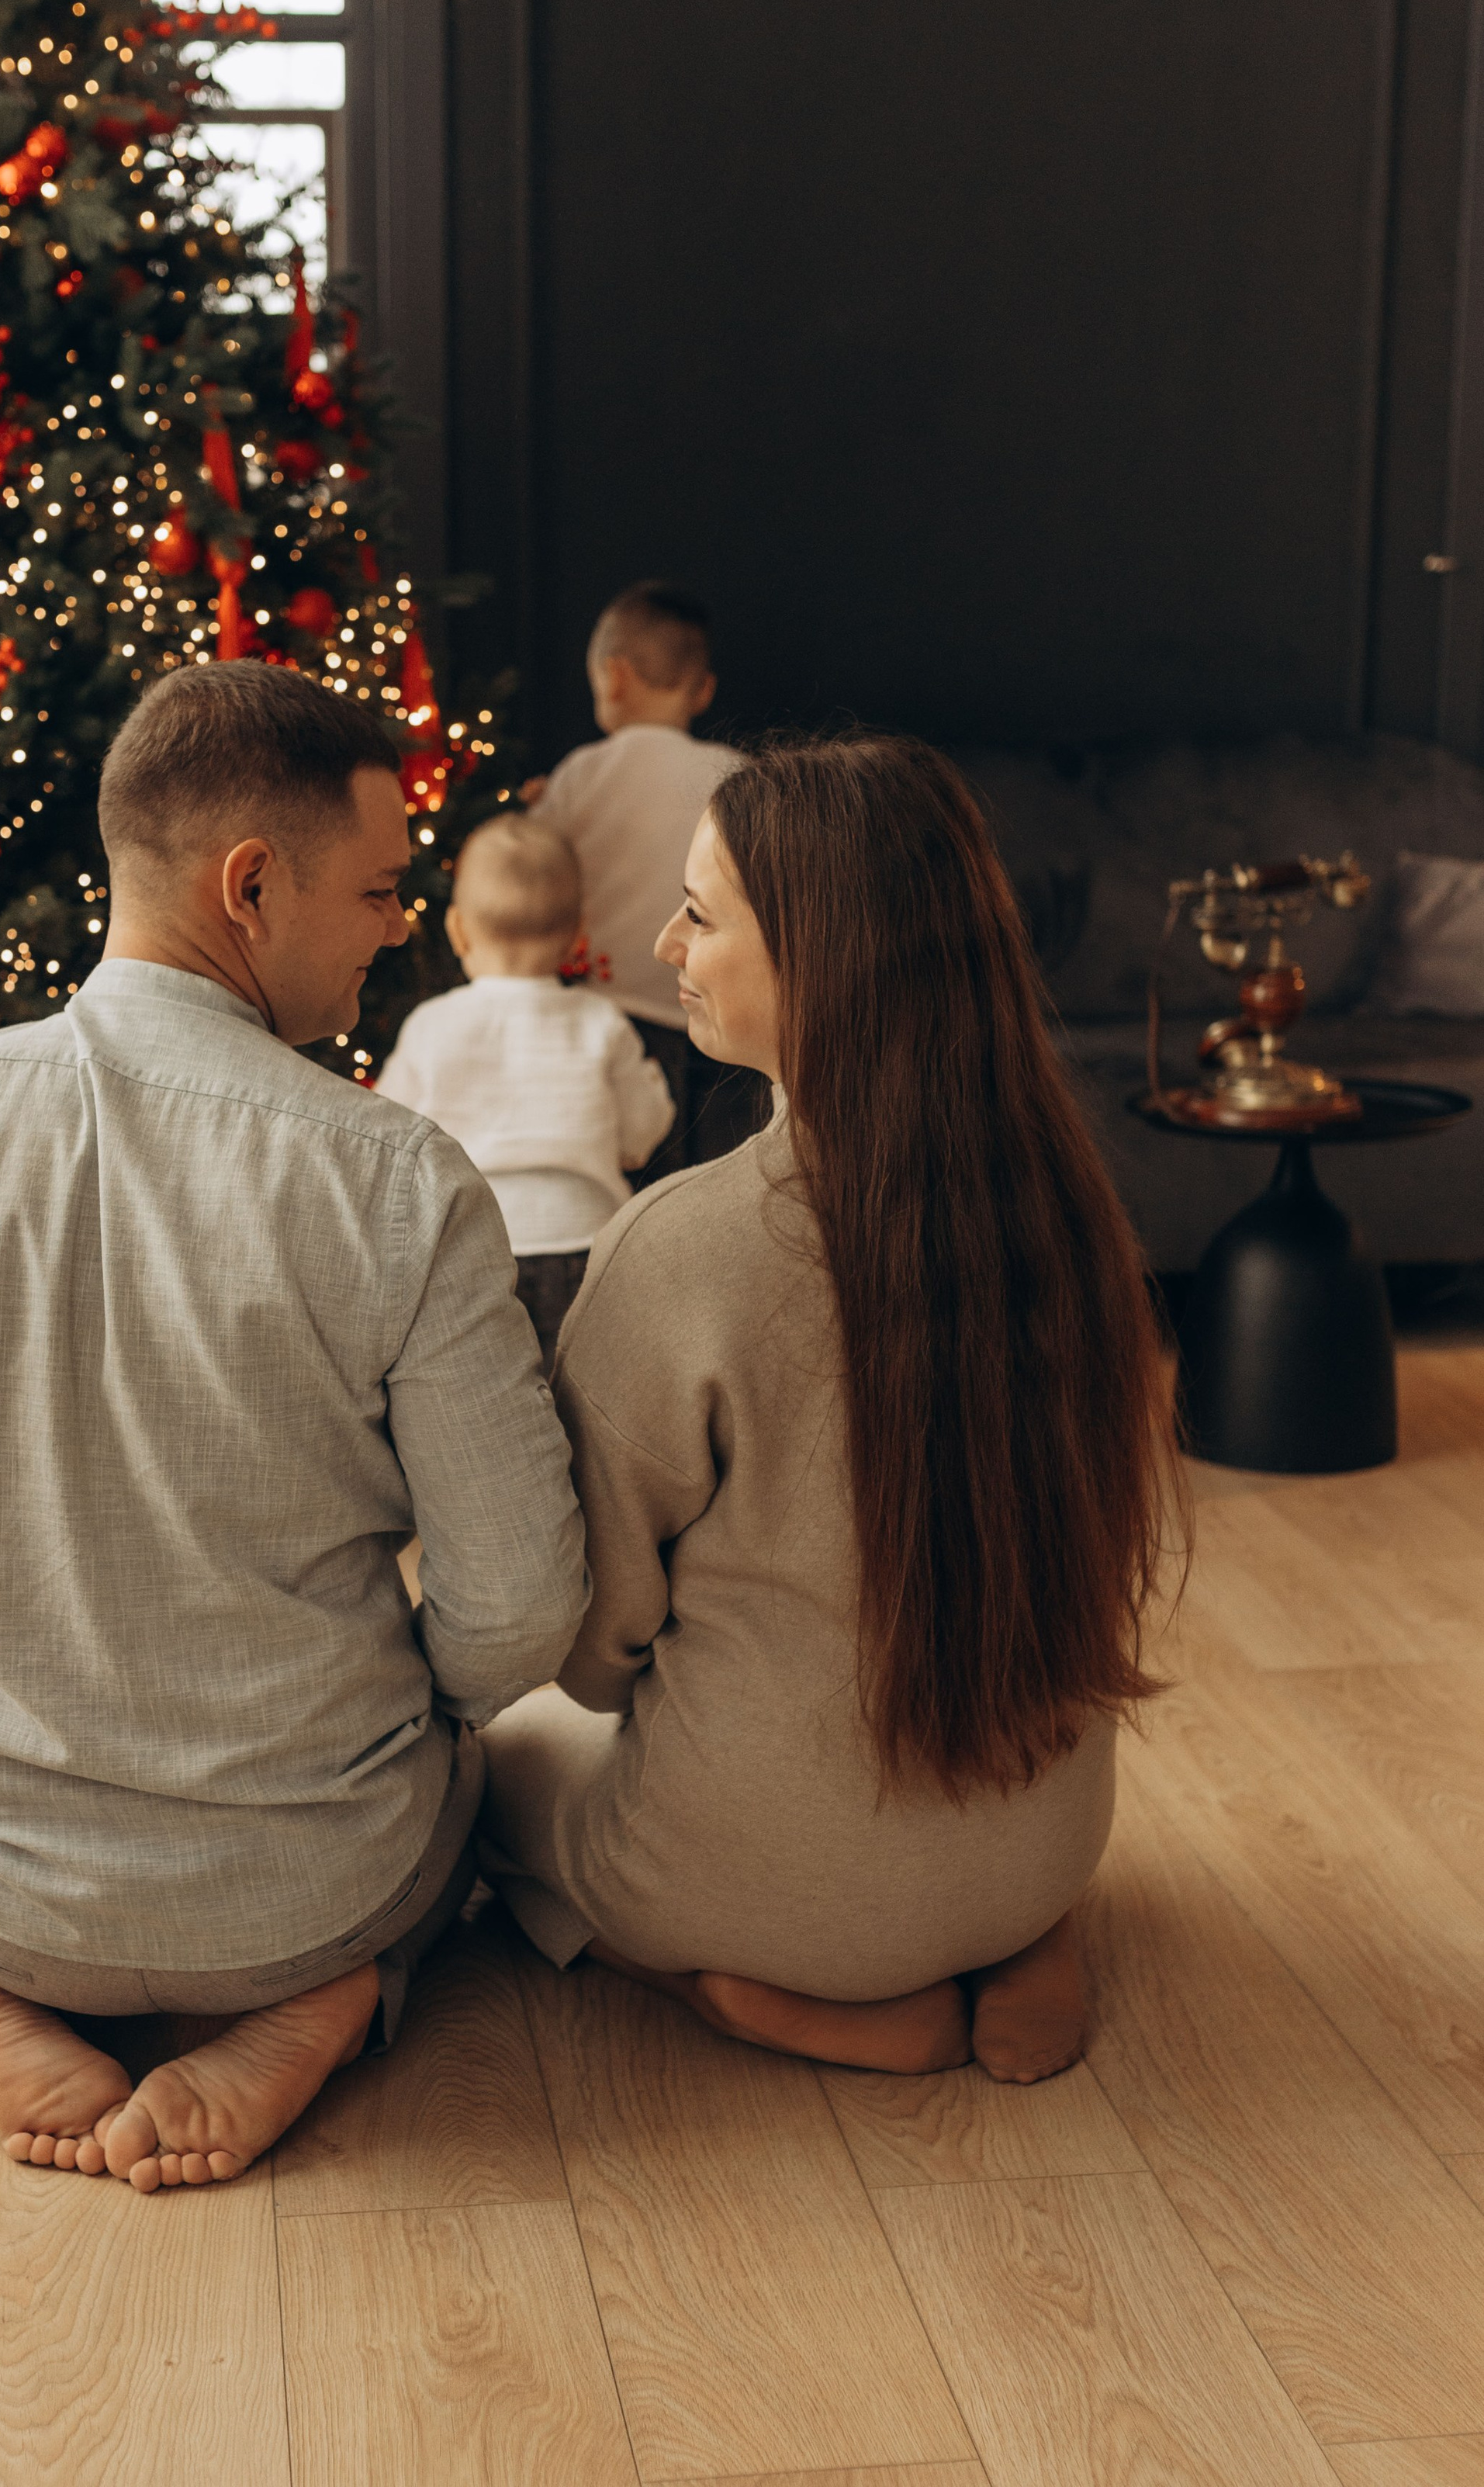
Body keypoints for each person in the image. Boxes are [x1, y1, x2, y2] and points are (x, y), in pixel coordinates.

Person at [0, 662, 586, 2191]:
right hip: (309, 1886)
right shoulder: (397, 1181)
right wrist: (397, 1710)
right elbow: (520, 1605)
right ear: (248, 885)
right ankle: (330, 2001)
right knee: (475, 1784)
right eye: (377, 890)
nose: (396, 926)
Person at [480, 733, 1181, 2083]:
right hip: (1043, 1844)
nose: (664, 936)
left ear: (823, 958)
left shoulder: (680, 1246)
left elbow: (591, 1648)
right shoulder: (1073, 1209)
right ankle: (1022, 1935)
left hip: (764, 1889)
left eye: (702, 910)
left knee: (483, 1771)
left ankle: (741, 1991)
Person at [373, 813, 673, 1360]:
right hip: (590, 1244)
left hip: (470, 1247)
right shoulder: (601, 1022)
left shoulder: (432, 1026)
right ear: (580, 931)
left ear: (458, 928)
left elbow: (387, 1138)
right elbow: (643, 1130)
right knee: (588, 1396)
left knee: (489, 1399)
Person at [526, 580, 763, 1175]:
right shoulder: (741, 779)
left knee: (627, 1167)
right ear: (702, 690)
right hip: (718, 1010)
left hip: (609, 1006)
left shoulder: (582, 772)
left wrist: (538, 806)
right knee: (714, 1170)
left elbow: (531, 866)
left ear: (612, 677)